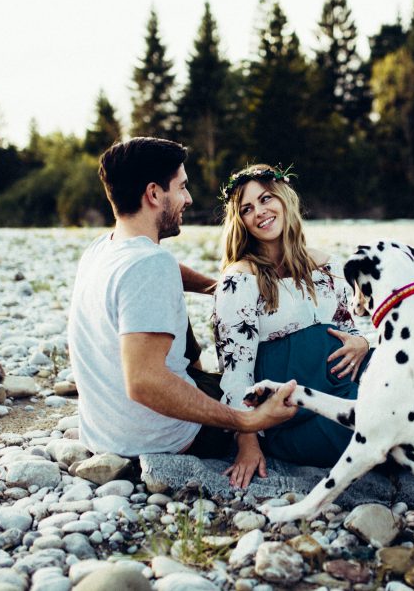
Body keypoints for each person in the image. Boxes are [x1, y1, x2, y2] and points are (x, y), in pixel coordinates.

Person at [67, 138, 297, 463]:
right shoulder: (151, 265)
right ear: (153, 194)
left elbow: (166, 271)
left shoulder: (103, 249)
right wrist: (246, 421)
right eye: (182, 187)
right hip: (167, 438)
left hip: (104, 433)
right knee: (275, 394)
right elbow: (144, 382)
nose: (188, 199)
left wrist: (216, 287)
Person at [213, 164, 372, 488]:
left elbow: (348, 326)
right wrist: (247, 440)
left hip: (349, 381)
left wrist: (362, 343)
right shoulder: (240, 278)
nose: (259, 212)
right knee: (376, 428)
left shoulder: (323, 264)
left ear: (284, 199)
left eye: (265, 199)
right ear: (240, 222)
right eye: (247, 209)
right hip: (294, 415)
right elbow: (235, 369)